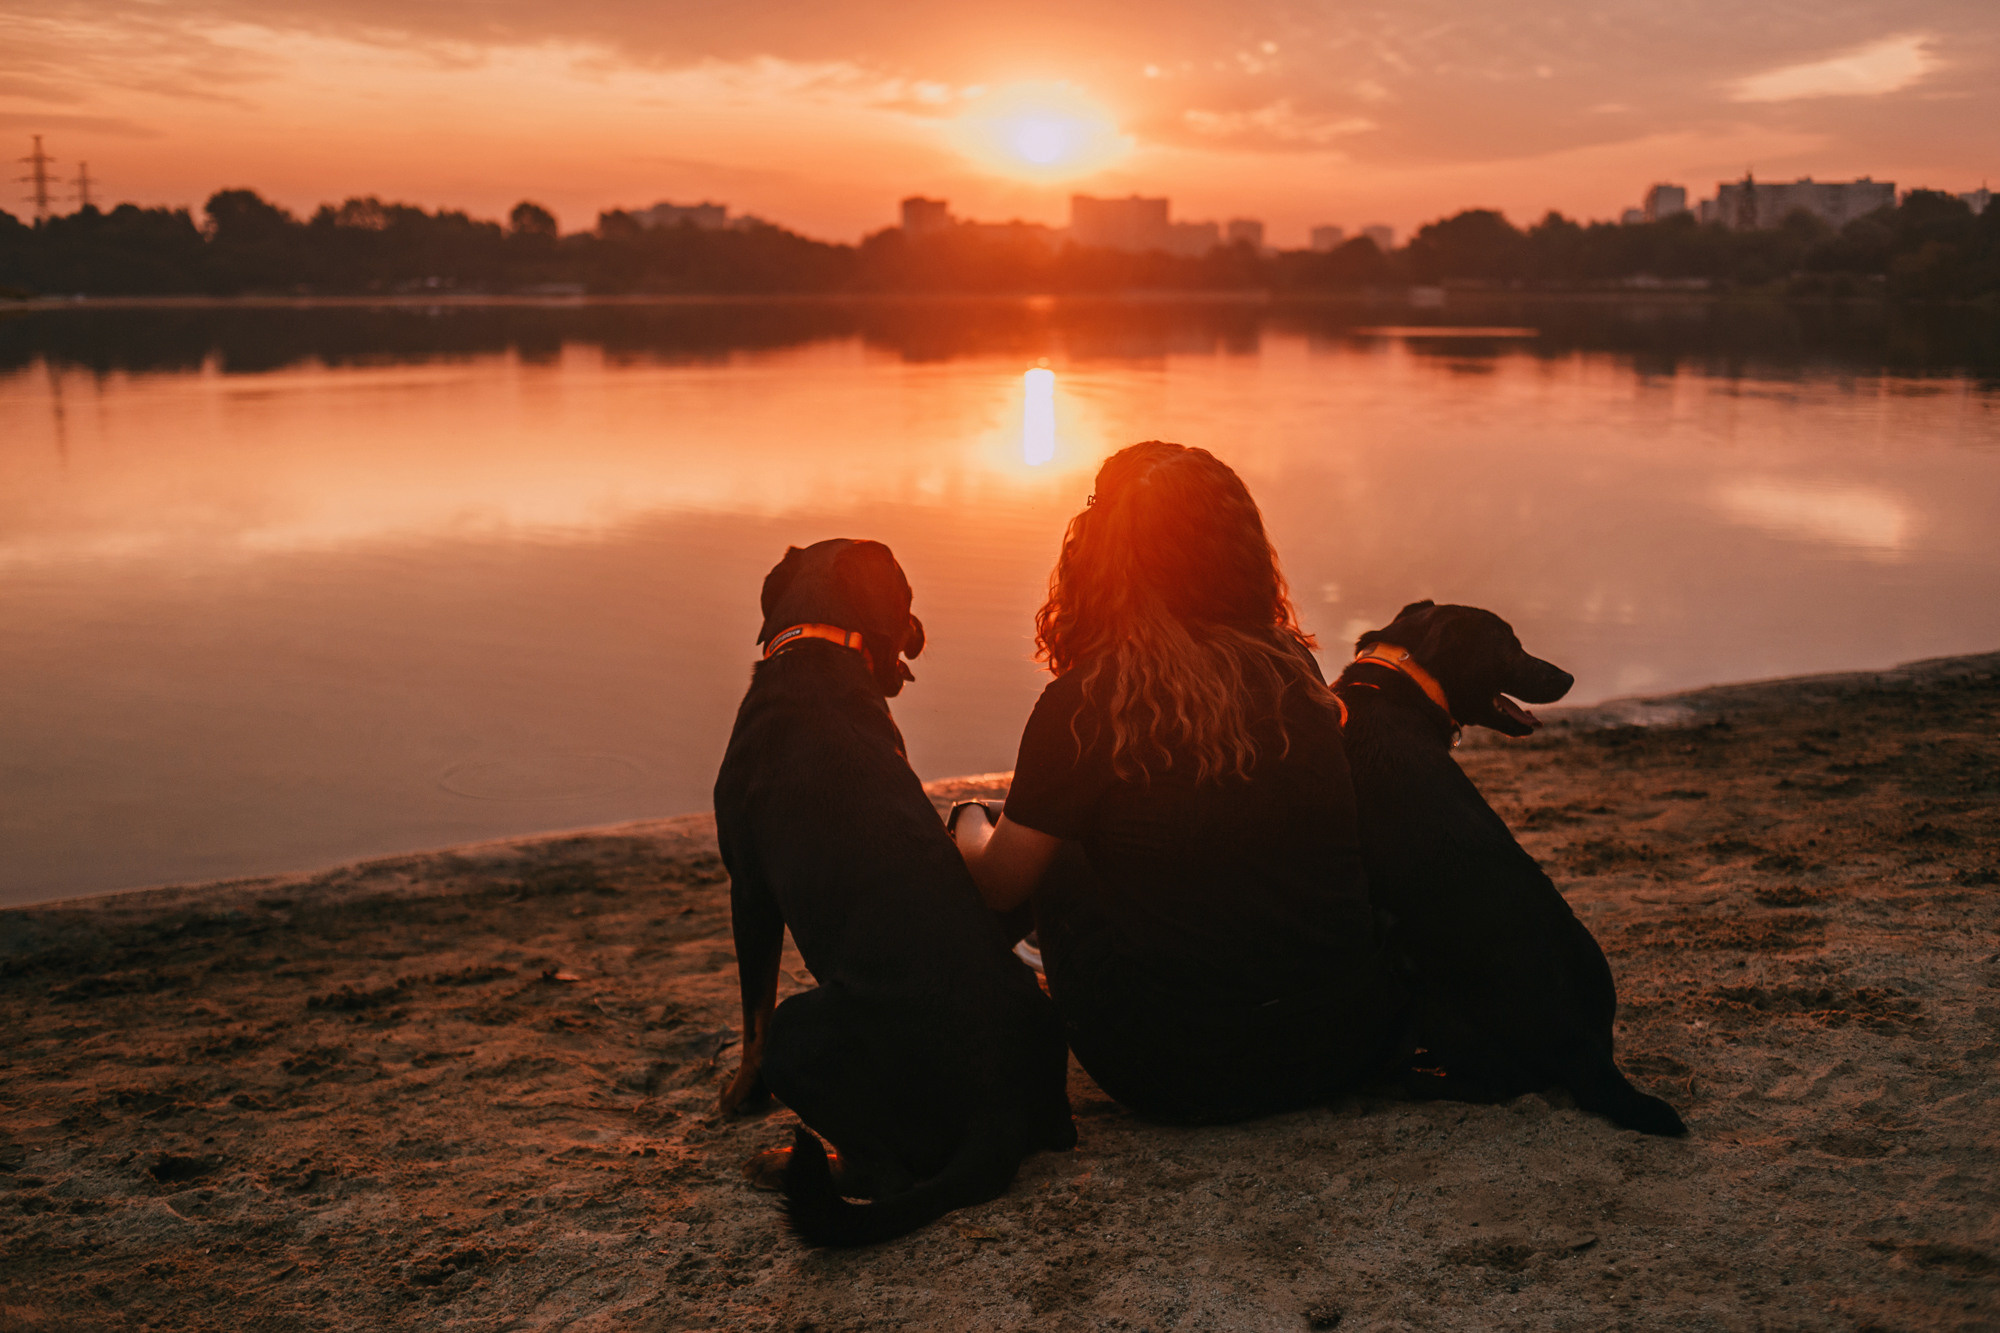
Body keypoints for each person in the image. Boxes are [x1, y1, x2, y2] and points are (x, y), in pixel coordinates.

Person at [954, 440, 1407, 1124]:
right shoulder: (1294, 665)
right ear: (1239, 550)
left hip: (1181, 1071)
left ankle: (986, 1036)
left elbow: (999, 884)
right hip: (1345, 1039)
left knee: (1051, 844)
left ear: (1102, 556)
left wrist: (965, 821)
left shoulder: (1086, 703)